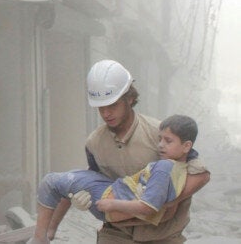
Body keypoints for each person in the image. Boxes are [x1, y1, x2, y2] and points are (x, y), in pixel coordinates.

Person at [49, 60, 209, 243]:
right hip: (115, 234)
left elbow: (200, 173)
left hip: (162, 235)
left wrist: (166, 201)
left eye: (113, 105)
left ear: (130, 98)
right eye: (101, 107)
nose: (106, 113)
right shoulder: (94, 143)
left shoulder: (160, 134)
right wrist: (82, 197)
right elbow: (94, 179)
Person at [30, 115, 199, 244]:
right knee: (66, 182)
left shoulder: (164, 162)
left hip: (122, 209)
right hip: (115, 221)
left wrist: (112, 205)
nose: (160, 145)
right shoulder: (97, 140)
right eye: (160, 139)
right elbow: (93, 174)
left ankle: (41, 238)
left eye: (167, 141)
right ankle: (48, 232)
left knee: (51, 181)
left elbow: (149, 207)